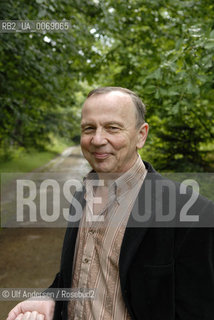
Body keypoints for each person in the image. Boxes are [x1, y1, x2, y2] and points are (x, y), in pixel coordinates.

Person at [7, 87, 214, 320]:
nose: (97, 139)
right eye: (89, 128)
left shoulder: (191, 212)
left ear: (141, 135)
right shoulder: (82, 196)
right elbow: (75, 278)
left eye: (112, 128)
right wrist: (49, 299)